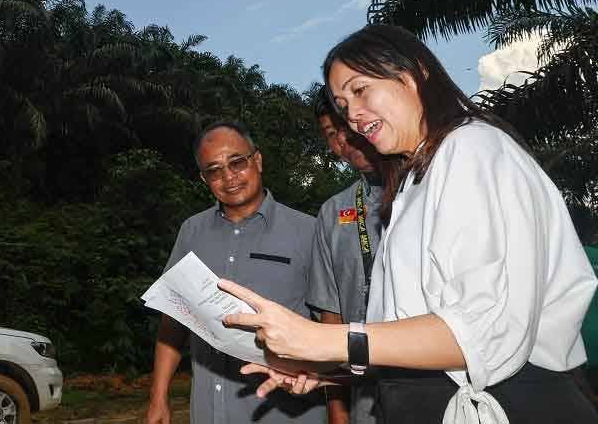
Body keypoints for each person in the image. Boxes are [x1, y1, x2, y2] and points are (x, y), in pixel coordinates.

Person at [217, 24, 598, 424]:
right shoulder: (413, 181)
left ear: (416, 71)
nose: (353, 116)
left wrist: (321, 339)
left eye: (360, 90)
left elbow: (484, 331)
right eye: (344, 106)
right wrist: (324, 368)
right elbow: (411, 339)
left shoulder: (471, 148)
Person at [145, 120, 325, 424]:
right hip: (209, 412)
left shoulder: (310, 232)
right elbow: (173, 320)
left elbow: (332, 324)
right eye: (214, 170)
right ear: (204, 179)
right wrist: (158, 396)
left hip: (287, 412)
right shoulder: (192, 232)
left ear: (257, 160)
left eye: (237, 162)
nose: (228, 177)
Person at [307, 95, 382, 424]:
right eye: (330, 133)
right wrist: (338, 413)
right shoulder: (334, 212)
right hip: (366, 399)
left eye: (346, 125)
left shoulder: (427, 189)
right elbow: (330, 318)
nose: (344, 139)